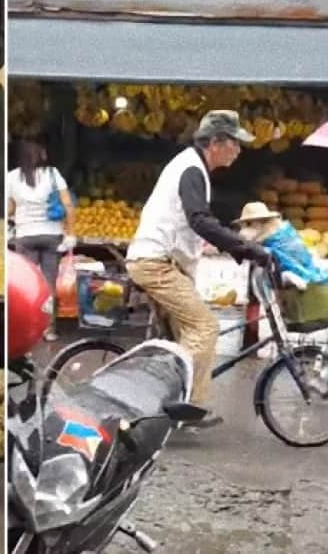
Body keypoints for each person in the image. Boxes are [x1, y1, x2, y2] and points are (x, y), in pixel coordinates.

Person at [126, 110, 271, 428]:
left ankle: (163, 401)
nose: (239, 150)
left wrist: (227, 243)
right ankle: (186, 406)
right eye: (235, 143)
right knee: (204, 327)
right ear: (216, 142)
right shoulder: (192, 169)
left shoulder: (192, 167)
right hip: (156, 263)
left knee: (180, 337)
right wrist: (243, 247)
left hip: (161, 261)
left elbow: (194, 224)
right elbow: (199, 219)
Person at [7, 137, 76, 342]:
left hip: (25, 236)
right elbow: (68, 205)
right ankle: (49, 329)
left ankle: (26, 327)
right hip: (51, 234)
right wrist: (71, 233)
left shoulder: (11, 177)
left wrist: (13, 220)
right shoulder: (53, 174)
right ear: (40, 154)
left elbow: (10, 208)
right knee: (48, 282)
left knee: (26, 284)